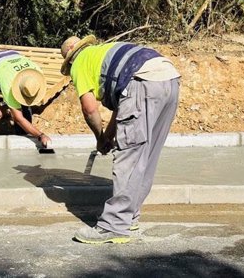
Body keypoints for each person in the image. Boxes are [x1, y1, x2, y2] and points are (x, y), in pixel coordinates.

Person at [60, 35, 180, 244]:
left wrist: (99, 137)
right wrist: (108, 134)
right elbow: (123, 103)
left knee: (129, 157)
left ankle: (113, 225)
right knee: (147, 155)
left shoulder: (79, 63)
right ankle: (129, 216)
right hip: (170, 78)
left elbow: (89, 109)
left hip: (142, 83)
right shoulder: (101, 53)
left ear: (70, 57)